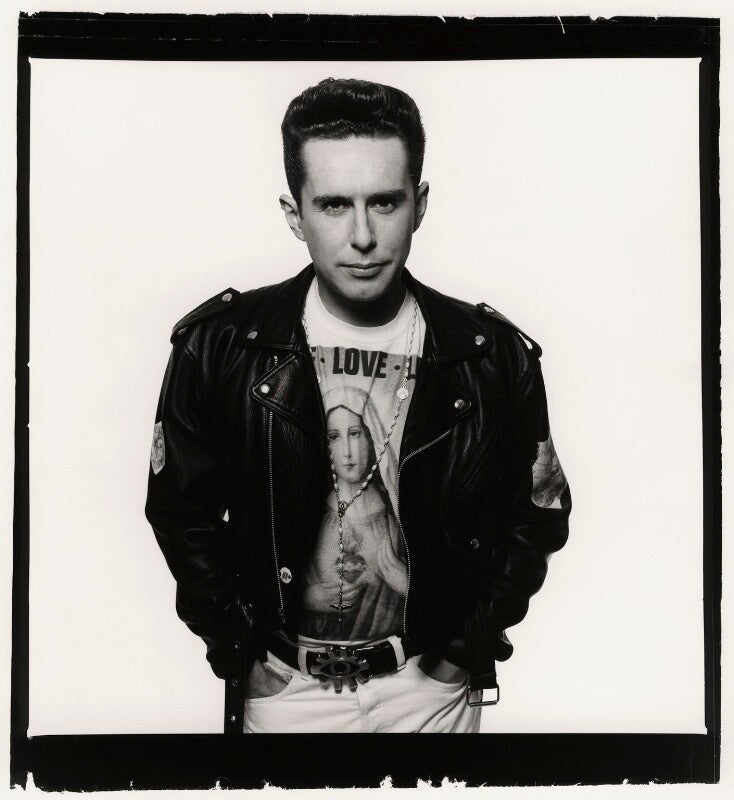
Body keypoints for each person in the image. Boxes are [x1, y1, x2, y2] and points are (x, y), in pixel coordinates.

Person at [145, 77, 571, 734]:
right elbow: (182, 512)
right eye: (335, 205)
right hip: (285, 695)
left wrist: (467, 648)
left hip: (429, 695)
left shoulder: (490, 355)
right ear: (295, 214)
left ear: (419, 205)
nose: (363, 236)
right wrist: (238, 650)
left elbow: (537, 513)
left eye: (385, 202)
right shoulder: (221, 347)